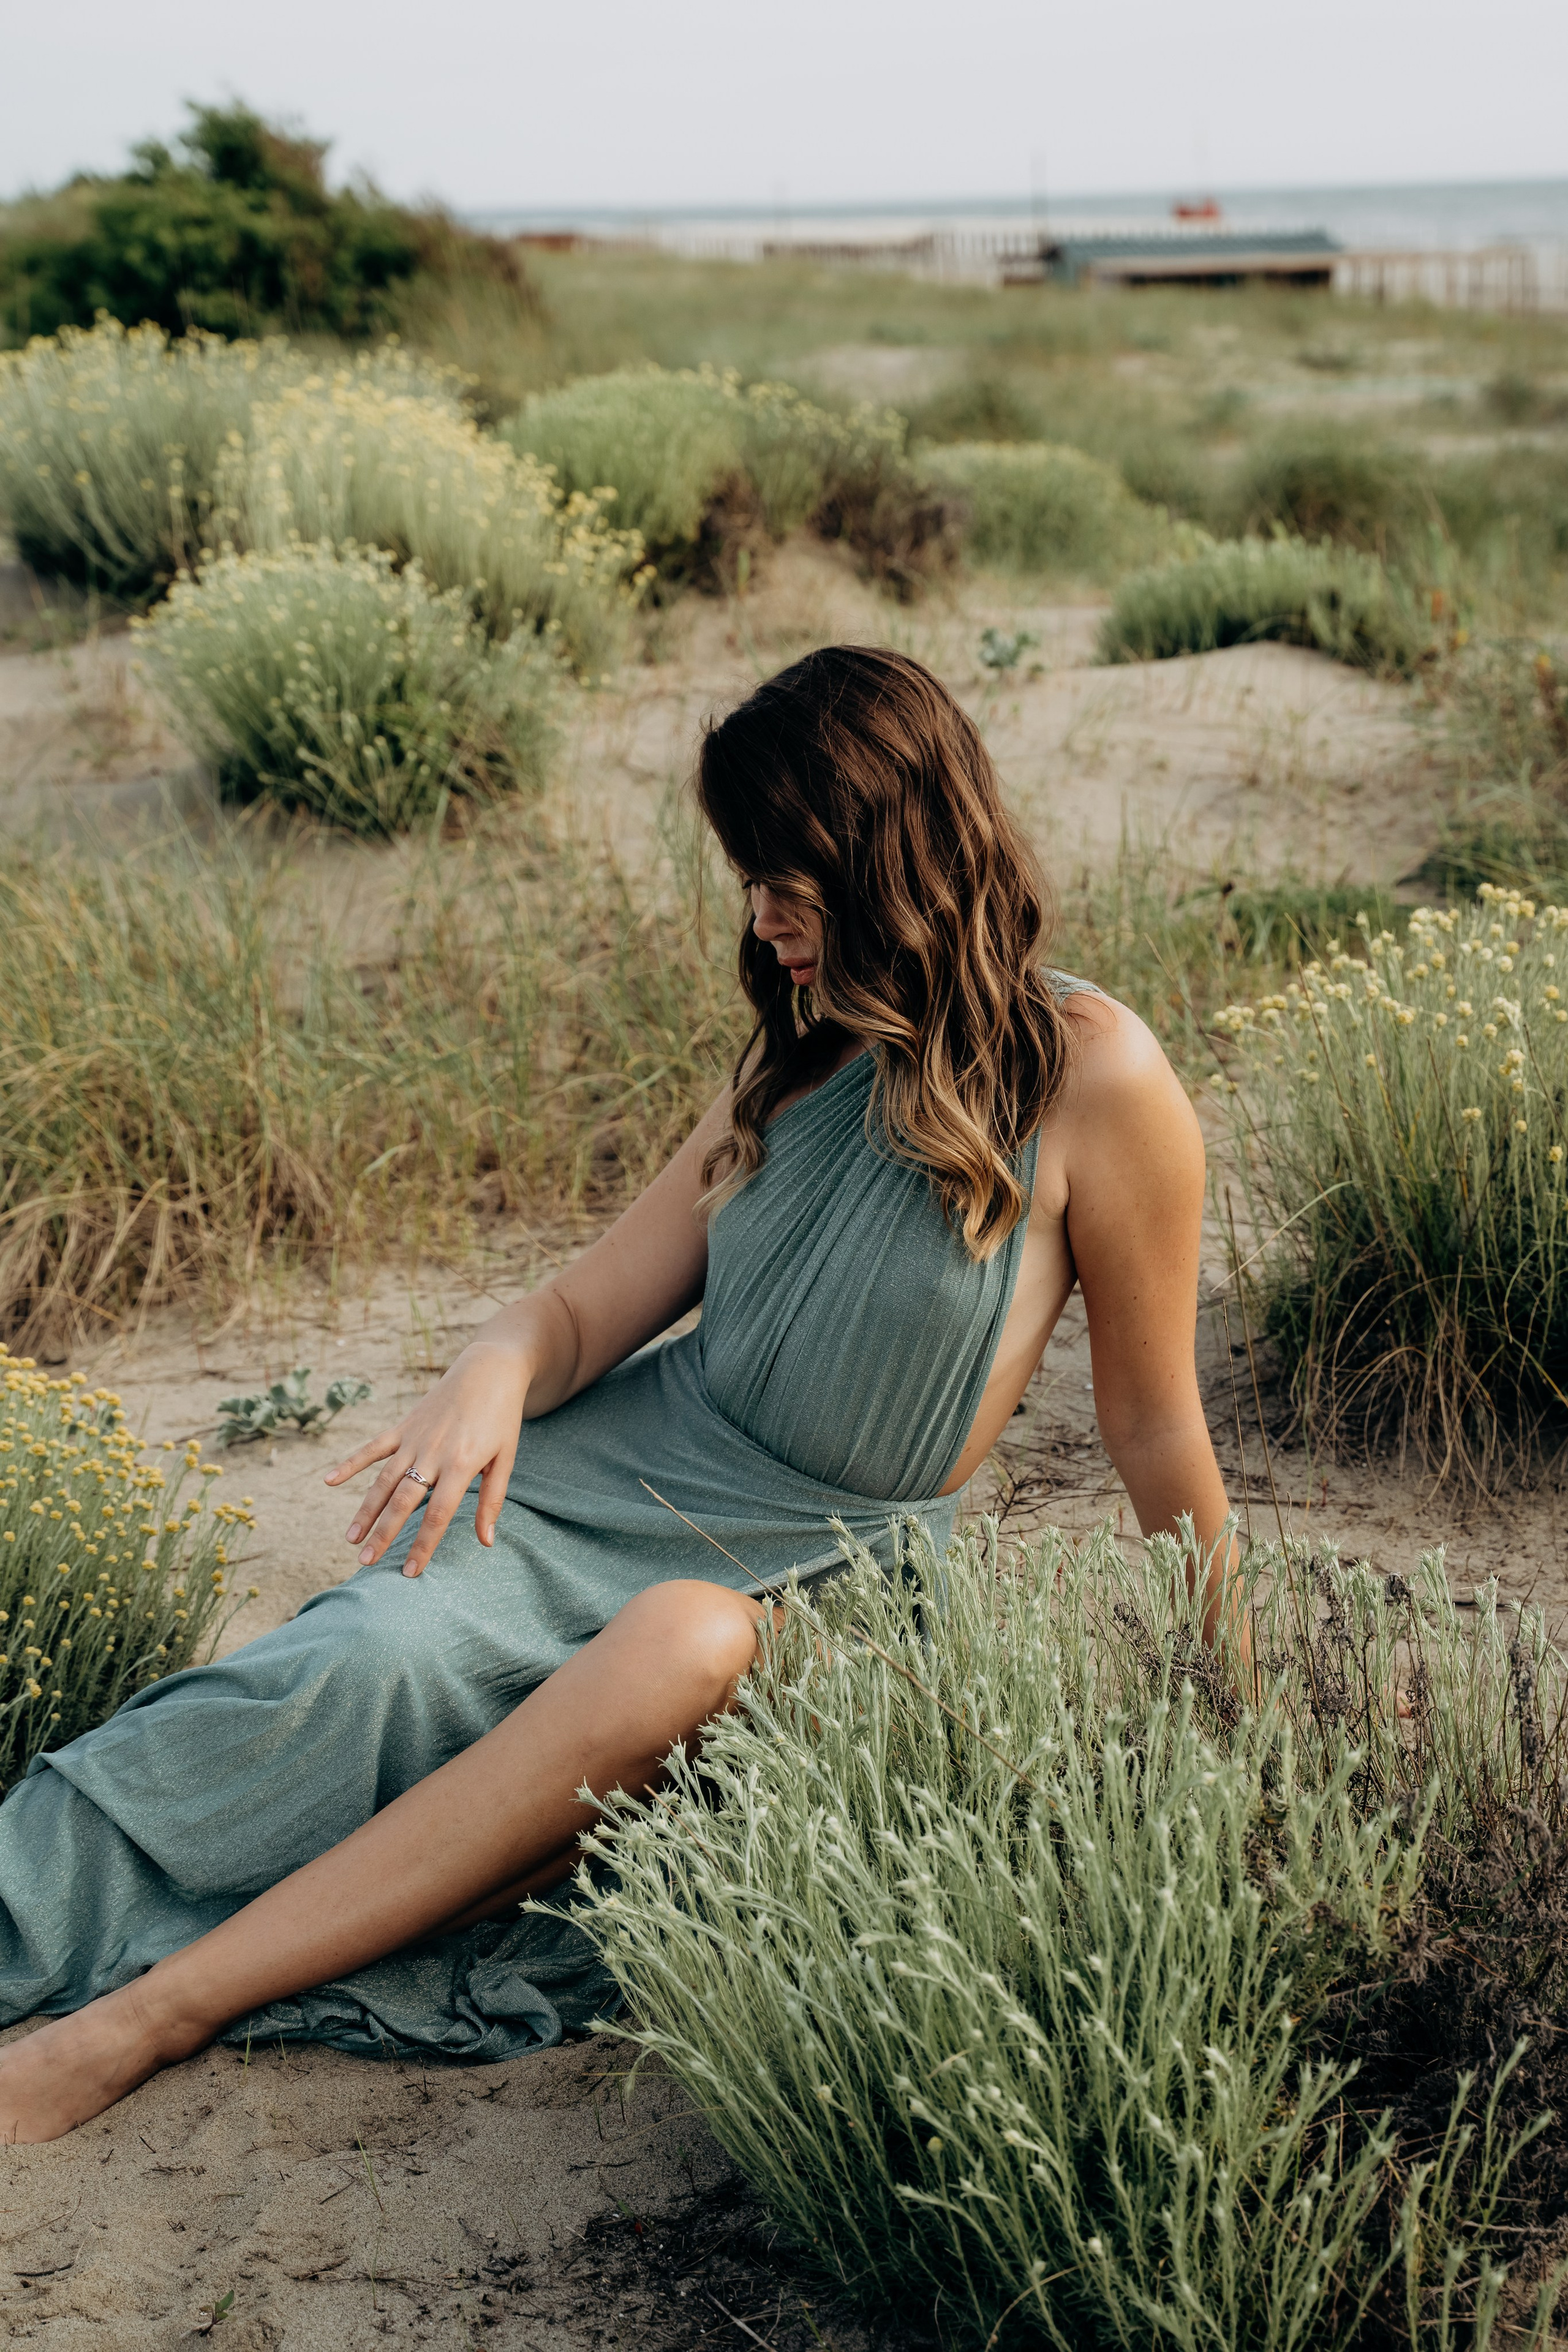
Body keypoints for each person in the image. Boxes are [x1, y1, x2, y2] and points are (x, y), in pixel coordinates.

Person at [0, 646, 1235, 2144]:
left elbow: (1152, 1422)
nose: (760, 919)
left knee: (681, 1641)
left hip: (835, 1569)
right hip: (627, 1472)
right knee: (366, 1659)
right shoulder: (793, 1062)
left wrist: (1220, 1692)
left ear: (890, 851)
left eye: (788, 878)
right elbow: (587, 1306)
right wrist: (492, 1371)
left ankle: (146, 2017)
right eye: (747, 881)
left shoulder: (1095, 1076)